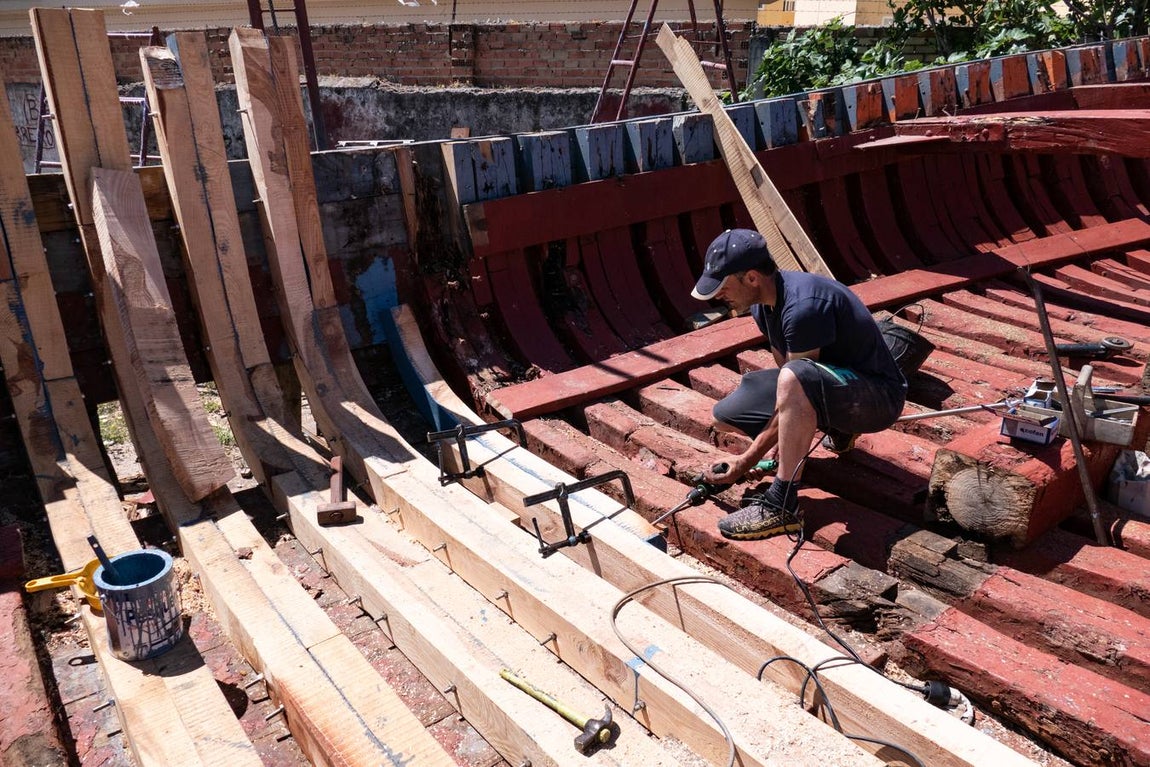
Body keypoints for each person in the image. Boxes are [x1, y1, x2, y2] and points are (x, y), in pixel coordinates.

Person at [692, 229, 907, 541]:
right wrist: (783, 435)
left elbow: (796, 380)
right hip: (830, 383)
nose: (718, 296)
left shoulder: (802, 307)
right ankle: (834, 431)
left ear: (752, 277)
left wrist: (746, 460)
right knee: (726, 415)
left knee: (795, 378)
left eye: (723, 287)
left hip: (877, 397)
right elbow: (786, 380)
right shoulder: (761, 305)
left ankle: (781, 504)